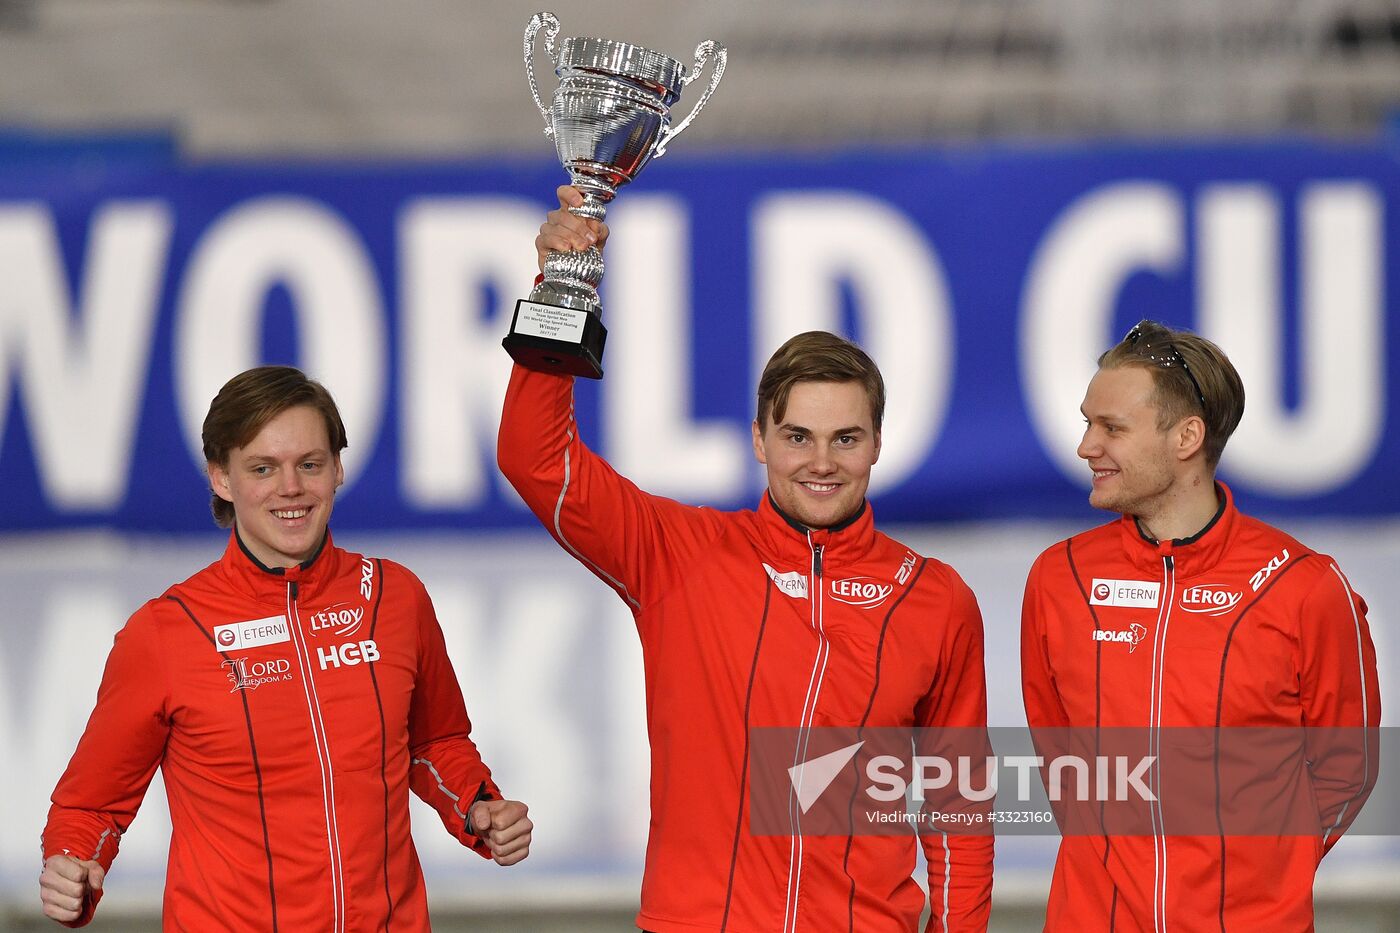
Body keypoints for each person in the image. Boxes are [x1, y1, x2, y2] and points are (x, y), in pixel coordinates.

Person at [497, 186, 993, 932]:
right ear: (759, 440)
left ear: (878, 445)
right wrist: (560, 291)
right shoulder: (678, 555)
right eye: (797, 436)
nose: (820, 461)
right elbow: (535, 459)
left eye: (846, 438)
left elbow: (959, 808)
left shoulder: (935, 598)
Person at [40, 366, 531, 930]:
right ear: (221, 478)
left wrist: (478, 805)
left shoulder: (397, 598)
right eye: (263, 468)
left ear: (338, 469)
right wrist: (74, 867)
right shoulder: (164, 633)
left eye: (310, 464)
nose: (291, 488)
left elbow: (434, 740)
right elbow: (91, 804)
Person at [1020, 320, 1381, 930]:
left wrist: (1256, 874)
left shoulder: (1304, 587)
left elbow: (1350, 769)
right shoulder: (1060, 580)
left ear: (1187, 437)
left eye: (1111, 428)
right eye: (1088, 422)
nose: (1086, 446)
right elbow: (1060, 759)